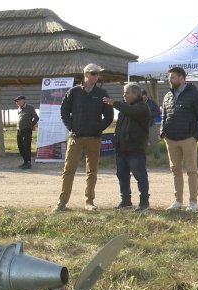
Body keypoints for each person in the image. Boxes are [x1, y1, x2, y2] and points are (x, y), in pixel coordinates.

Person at [53, 63, 114, 212]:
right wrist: (71, 127)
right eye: (93, 73)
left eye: (98, 74)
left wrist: (98, 128)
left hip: (94, 138)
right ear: (86, 74)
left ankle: (89, 202)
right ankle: (62, 202)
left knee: (92, 171)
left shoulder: (102, 93)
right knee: (69, 170)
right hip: (76, 137)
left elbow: (109, 115)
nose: (96, 76)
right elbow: (63, 111)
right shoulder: (73, 92)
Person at [161, 67, 198, 211]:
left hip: (188, 138)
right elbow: (164, 115)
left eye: (172, 77)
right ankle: (178, 201)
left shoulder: (195, 95)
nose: (170, 80)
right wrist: (163, 132)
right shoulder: (167, 96)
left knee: (191, 170)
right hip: (171, 139)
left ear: (182, 78)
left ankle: (193, 202)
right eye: (169, 78)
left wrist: (196, 136)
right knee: (175, 170)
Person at [103, 83, 150, 211]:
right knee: (122, 176)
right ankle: (126, 201)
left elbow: (132, 112)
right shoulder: (124, 110)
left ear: (136, 94)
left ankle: (144, 202)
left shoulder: (142, 107)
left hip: (135, 150)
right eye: (124, 93)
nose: (124, 95)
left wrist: (115, 104)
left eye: (127, 93)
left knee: (140, 176)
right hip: (121, 149)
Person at [15, 95, 39, 169]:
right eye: (16, 101)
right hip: (19, 130)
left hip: (27, 130)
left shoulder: (30, 107)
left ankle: (28, 163)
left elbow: (36, 117)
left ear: (23, 100)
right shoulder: (19, 109)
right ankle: (25, 161)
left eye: (17, 101)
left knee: (26, 146)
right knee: (20, 146)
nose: (16, 103)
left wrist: (30, 125)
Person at [142, 90, 161, 159]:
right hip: (141, 127)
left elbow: (158, 112)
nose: (142, 98)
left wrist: (150, 114)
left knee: (154, 142)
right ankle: (142, 158)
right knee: (142, 143)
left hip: (151, 126)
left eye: (143, 96)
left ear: (146, 95)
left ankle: (157, 157)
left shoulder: (152, 103)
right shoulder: (138, 103)